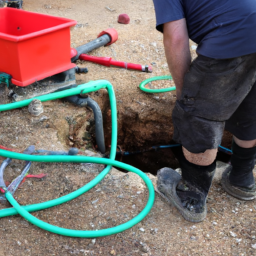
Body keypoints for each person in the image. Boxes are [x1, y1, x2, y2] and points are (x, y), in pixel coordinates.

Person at [152, 0, 256, 222]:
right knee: (249, 107)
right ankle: (242, 179)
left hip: (231, 40)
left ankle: (192, 196)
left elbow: (176, 39)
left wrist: (186, 97)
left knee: (198, 117)